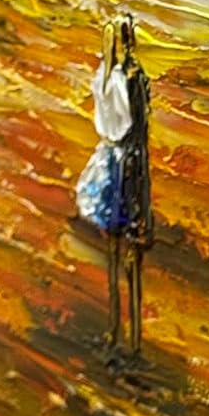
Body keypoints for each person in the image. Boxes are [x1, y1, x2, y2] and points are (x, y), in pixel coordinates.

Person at [76, 21, 132, 350]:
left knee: (111, 232)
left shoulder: (101, 76)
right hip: (116, 156)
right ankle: (115, 317)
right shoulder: (118, 79)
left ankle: (113, 317)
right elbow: (126, 121)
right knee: (116, 225)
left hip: (106, 152)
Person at [119, 13, 153, 358]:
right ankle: (133, 337)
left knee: (127, 242)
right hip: (135, 163)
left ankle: (131, 336)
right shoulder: (138, 78)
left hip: (128, 162)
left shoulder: (126, 79)